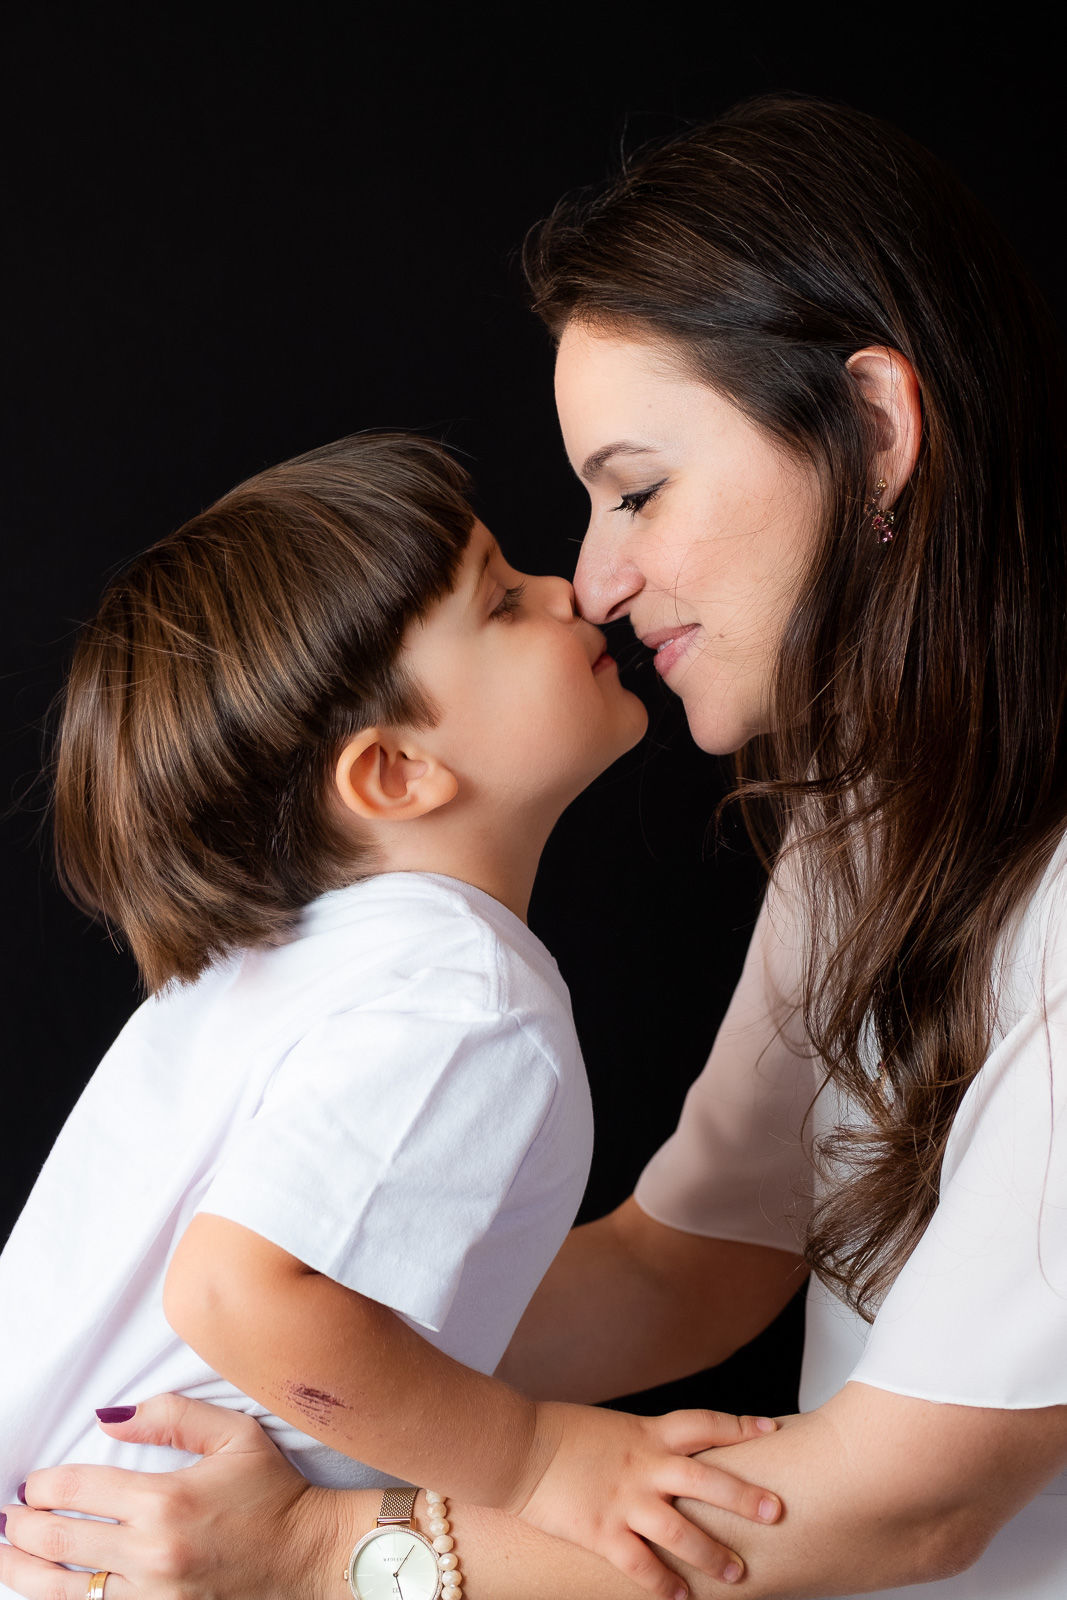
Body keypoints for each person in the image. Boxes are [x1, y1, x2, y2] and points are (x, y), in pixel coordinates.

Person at [2, 92, 1066, 1600]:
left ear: (876, 434)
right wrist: (304, 1391)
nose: (597, 578)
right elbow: (689, 1257)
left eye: (636, 490)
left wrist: (329, 1550)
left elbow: (911, 1508)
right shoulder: (863, 809)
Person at [0, 431, 784, 1600]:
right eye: (503, 601)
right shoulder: (461, 994)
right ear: (393, 774)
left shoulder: (276, 969)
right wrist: (535, 1457)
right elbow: (236, 1294)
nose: (569, 587)